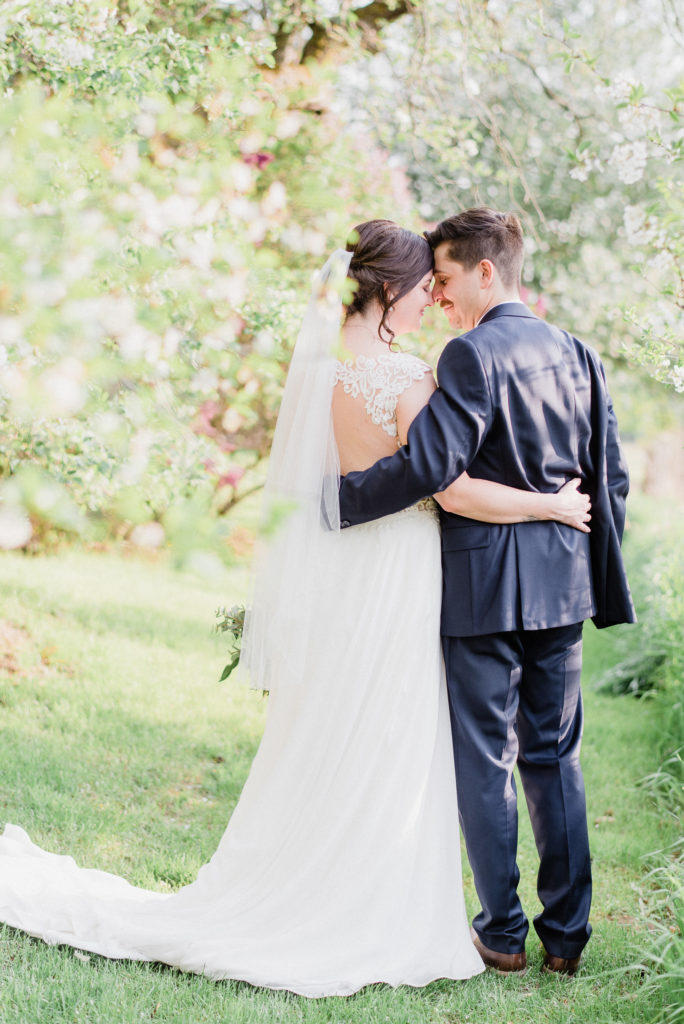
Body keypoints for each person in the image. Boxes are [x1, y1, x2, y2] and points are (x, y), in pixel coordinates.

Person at [0, 220, 591, 997]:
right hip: (406, 571)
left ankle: (387, 891)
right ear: (387, 290)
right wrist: (550, 505)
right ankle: (402, 904)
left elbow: (337, 487)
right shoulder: (413, 376)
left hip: (355, 569)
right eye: (420, 291)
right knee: (403, 733)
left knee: (354, 722)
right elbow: (441, 485)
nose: (428, 303)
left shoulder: (328, 370)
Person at [338, 209, 636, 977]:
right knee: (555, 757)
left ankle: (501, 933)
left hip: (482, 586)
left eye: (442, 279)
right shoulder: (578, 352)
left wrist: (338, 501)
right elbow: (613, 480)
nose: (437, 296)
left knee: (486, 759)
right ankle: (567, 939)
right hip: (563, 586)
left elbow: (432, 465)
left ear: (485, 272)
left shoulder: (471, 355)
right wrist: (580, 555)